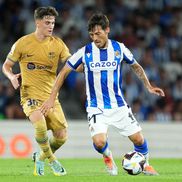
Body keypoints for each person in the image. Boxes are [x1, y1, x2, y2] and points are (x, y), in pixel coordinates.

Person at [41, 13, 165, 176]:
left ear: (107, 30)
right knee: (99, 142)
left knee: (138, 140)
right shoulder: (85, 52)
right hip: (96, 107)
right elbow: (63, 72)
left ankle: (146, 164)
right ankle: (108, 157)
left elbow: (136, 66)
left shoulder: (119, 48)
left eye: (98, 33)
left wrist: (148, 86)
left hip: (118, 105)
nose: (95, 38)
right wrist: (51, 98)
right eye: (92, 35)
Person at [2, 6, 74, 176]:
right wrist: (11, 77)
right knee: (40, 126)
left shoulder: (58, 44)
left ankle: (40, 157)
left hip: (51, 96)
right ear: (37, 23)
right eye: (47, 22)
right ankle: (52, 161)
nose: (51, 26)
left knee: (61, 136)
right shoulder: (23, 43)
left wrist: (82, 65)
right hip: (29, 94)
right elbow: (6, 66)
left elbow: (70, 62)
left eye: (53, 23)